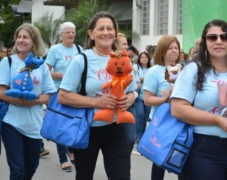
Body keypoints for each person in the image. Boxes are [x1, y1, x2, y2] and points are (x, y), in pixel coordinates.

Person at [170, 19, 227, 180]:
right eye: (212, 37)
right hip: (204, 149)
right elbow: (177, 108)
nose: (219, 41)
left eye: (224, 37)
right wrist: (217, 120)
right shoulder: (193, 69)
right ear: (205, 42)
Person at [58, 11, 136, 180]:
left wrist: (130, 98)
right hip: (87, 128)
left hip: (116, 128)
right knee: (84, 176)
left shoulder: (123, 58)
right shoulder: (81, 59)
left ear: (115, 32)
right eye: (101, 28)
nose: (106, 32)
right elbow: (63, 96)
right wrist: (97, 102)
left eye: (110, 28)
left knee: (122, 176)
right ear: (91, 34)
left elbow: (133, 90)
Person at [0, 23, 56, 179]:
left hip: (34, 125)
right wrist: (18, 101)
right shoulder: (8, 62)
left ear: (34, 42)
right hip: (11, 123)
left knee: (30, 168)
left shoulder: (41, 65)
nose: (21, 40)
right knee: (17, 170)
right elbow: (1, 92)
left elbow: (49, 95)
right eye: (19, 37)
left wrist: (34, 101)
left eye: (25, 37)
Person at [143, 35, 184, 180]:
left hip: (182, 121)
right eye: (170, 48)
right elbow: (147, 100)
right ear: (162, 51)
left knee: (181, 161)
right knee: (159, 161)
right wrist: (165, 98)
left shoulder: (184, 69)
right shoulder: (154, 71)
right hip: (162, 122)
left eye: (176, 48)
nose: (174, 51)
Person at [45, 21, 82, 172]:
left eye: (73, 32)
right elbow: (45, 71)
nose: (71, 34)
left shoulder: (80, 49)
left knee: (74, 124)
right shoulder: (55, 50)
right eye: (68, 32)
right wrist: (63, 75)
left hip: (76, 93)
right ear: (61, 35)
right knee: (60, 125)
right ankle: (62, 158)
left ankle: (71, 149)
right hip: (58, 92)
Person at [134, 52, 151, 143]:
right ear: (139, 59)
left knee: (145, 117)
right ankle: (136, 135)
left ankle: (141, 136)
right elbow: (136, 79)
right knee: (139, 115)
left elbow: (143, 78)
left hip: (149, 97)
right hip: (139, 96)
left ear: (148, 59)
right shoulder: (136, 67)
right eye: (142, 57)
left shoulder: (151, 69)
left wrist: (142, 78)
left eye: (145, 57)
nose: (144, 59)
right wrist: (144, 78)